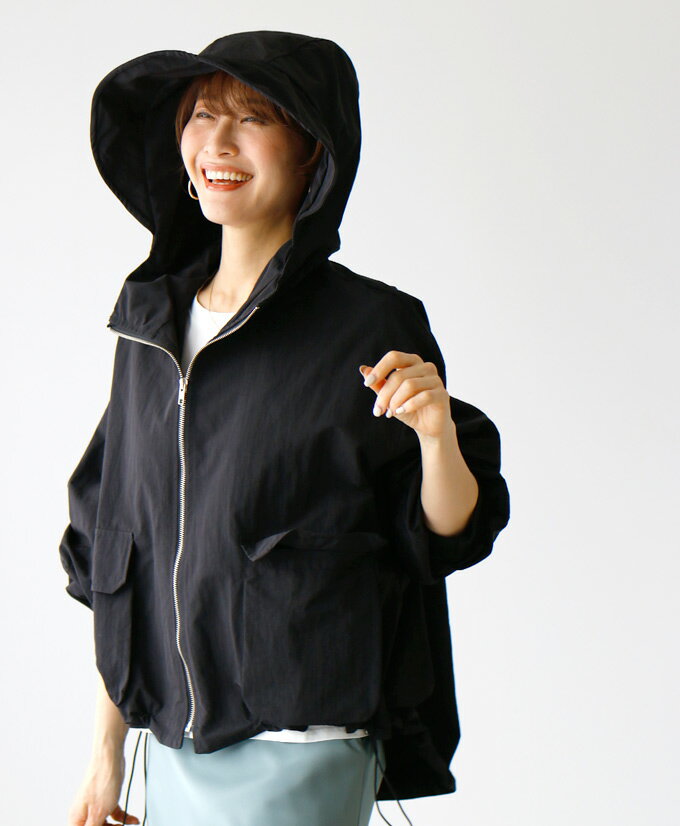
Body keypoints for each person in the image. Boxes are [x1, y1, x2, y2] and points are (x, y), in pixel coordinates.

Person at [59, 30, 510, 826]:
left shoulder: (367, 324)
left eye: (254, 118)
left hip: (303, 745)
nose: (218, 142)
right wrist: (105, 755)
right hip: (171, 747)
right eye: (202, 115)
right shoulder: (149, 328)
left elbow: (445, 533)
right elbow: (115, 551)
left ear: (313, 155)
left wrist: (436, 436)